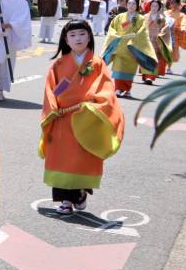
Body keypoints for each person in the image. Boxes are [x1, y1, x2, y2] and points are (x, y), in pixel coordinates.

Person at [40, 20, 124, 215]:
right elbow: (50, 90)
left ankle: (79, 194)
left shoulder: (97, 63)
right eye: (72, 35)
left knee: (81, 157)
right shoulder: (59, 64)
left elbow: (106, 89)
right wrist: (52, 108)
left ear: (89, 36)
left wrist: (94, 103)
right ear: (66, 40)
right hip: (62, 118)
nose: (77, 38)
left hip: (86, 117)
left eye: (82, 34)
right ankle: (66, 200)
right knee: (62, 159)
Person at [104, 0, 155, 98]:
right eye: (129, 4)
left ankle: (127, 90)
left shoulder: (140, 18)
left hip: (132, 47)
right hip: (120, 46)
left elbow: (143, 31)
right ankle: (118, 89)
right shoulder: (119, 17)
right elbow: (112, 28)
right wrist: (115, 35)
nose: (131, 6)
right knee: (118, 69)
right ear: (126, 5)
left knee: (129, 71)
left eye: (133, 4)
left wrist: (136, 35)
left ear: (137, 6)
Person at [141, 0, 172, 84]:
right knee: (146, 59)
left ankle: (150, 77)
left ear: (159, 7)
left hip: (156, 41)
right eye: (152, 6)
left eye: (156, 6)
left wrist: (161, 34)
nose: (154, 7)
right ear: (150, 6)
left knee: (154, 59)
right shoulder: (145, 17)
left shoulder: (161, 18)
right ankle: (145, 76)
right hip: (146, 39)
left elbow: (166, 29)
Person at [167, 0, 186, 69]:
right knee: (164, 50)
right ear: (170, 4)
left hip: (175, 34)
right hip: (165, 34)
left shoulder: (182, 15)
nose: (173, 5)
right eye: (172, 3)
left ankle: (169, 67)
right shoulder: (166, 12)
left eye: (175, 4)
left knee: (173, 51)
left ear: (178, 5)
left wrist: (182, 28)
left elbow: (183, 23)